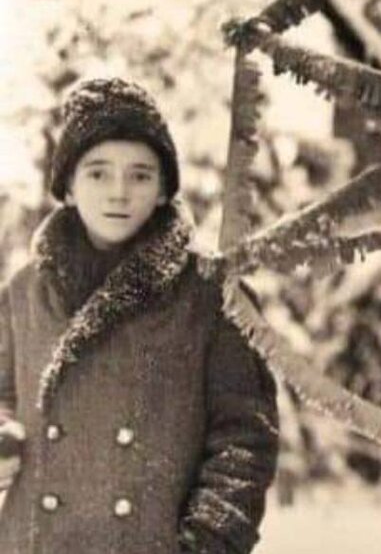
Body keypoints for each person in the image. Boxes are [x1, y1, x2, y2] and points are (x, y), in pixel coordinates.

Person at [0, 78, 279, 554]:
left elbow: (244, 441)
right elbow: (4, 394)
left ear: (164, 189)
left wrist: (207, 542)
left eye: (141, 175)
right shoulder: (25, 291)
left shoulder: (212, 295)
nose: (119, 193)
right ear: (68, 187)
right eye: (98, 173)